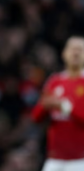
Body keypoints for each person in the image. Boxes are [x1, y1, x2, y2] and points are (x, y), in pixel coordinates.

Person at [31, 36, 84, 171]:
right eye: (72, 49)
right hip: (54, 160)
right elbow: (36, 117)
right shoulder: (54, 81)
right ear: (64, 53)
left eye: (80, 49)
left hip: (80, 160)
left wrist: (63, 106)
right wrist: (45, 106)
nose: (76, 53)